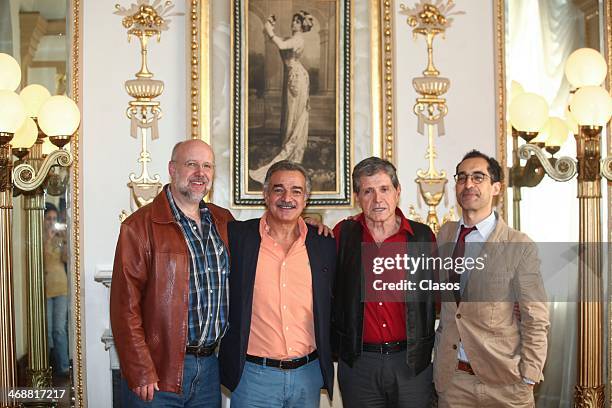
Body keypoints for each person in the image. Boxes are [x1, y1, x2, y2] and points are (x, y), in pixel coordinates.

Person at [110, 139, 234, 407]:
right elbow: (124, 308)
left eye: (207, 166)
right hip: (158, 372)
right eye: (191, 164)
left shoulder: (224, 221)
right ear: (172, 169)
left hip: (210, 370)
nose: (200, 173)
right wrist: (140, 368)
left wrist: (301, 226)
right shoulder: (139, 227)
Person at [434, 150, 549, 407]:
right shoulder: (445, 235)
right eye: (462, 178)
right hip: (454, 382)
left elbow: (536, 317)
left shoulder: (519, 245)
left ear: (496, 187)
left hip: (505, 384)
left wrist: (529, 376)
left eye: (478, 177)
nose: (468, 184)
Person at [219, 160, 336, 407]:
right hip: (253, 377)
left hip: (307, 374)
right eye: (278, 189)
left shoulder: (323, 244)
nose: (287, 197)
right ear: (265, 194)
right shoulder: (238, 237)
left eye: (296, 191)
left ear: (306, 198)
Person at [331, 157, 437, 408]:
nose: (377, 199)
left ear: (398, 191)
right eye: (368, 191)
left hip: (411, 362)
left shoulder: (422, 237)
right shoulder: (342, 235)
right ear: (358, 197)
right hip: (359, 364)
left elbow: (439, 295)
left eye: (384, 189)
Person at [249, 11, 314, 184]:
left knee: (295, 114)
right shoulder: (292, 38)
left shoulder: (298, 39)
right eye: (293, 21)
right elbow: (280, 43)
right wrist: (270, 28)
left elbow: (281, 45)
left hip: (297, 78)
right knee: (291, 113)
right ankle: (288, 142)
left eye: (296, 22)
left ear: (301, 25)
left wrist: (269, 30)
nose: (293, 24)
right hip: (294, 77)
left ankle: (292, 148)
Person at [43, 202, 69, 377]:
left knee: (59, 329)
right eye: (49, 218)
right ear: (43, 220)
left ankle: (64, 367)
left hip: (60, 288)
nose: (52, 222)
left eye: (54, 218)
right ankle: (48, 367)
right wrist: (49, 239)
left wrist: (65, 239)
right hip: (44, 289)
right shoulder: (39, 239)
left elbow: (67, 259)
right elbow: (40, 260)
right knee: (47, 330)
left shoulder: (60, 238)